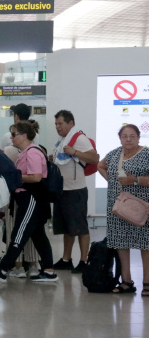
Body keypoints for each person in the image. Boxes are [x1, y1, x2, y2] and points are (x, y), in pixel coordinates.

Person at [0, 122, 58, 283]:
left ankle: (3, 269)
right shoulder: (25, 153)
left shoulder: (33, 153)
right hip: (30, 198)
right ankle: (49, 271)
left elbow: (36, 177)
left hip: (32, 198)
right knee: (38, 235)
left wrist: (15, 176)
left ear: (24, 136)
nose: (11, 137)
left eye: (14, 134)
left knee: (19, 233)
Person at [97, 124, 149, 295]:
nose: (128, 139)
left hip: (140, 206)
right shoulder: (114, 154)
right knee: (120, 243)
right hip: (118, 206)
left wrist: (135, 180)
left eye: (132, 136)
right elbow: (100, 166)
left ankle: (147, 282)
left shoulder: (146, 154)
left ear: (138, 138)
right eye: (124, 136)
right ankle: (126, 281)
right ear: (120, 138)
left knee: (145, 243)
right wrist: (111, 181)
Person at [51, 110, 99, 273]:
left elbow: (94, 158)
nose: (57, 127)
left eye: (60, 123)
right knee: (67, 227)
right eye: (56, 124)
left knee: (80, 228)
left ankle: (84, 261)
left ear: (71, 123)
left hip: (75, 191)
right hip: (62, 190)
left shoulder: (79, 138)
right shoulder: (62, 140)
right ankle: (66, 259)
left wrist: (75, 152)